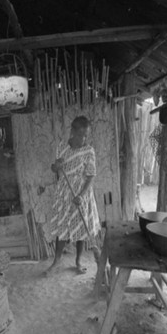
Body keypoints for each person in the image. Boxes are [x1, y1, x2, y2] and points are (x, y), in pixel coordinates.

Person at [47, 116, 100, 275]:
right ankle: (56, 262)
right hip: (64, 192)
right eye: (80, 135)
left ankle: (78, 261)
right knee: (63, 227)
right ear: (72, 132)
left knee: (80, 228)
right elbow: (54, 169)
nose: (83, 138)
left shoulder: (89, 150)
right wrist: (56, 166)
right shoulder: (62, 147)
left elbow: (91, 176)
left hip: (81, 193)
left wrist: (81, 196)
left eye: (86, 135)